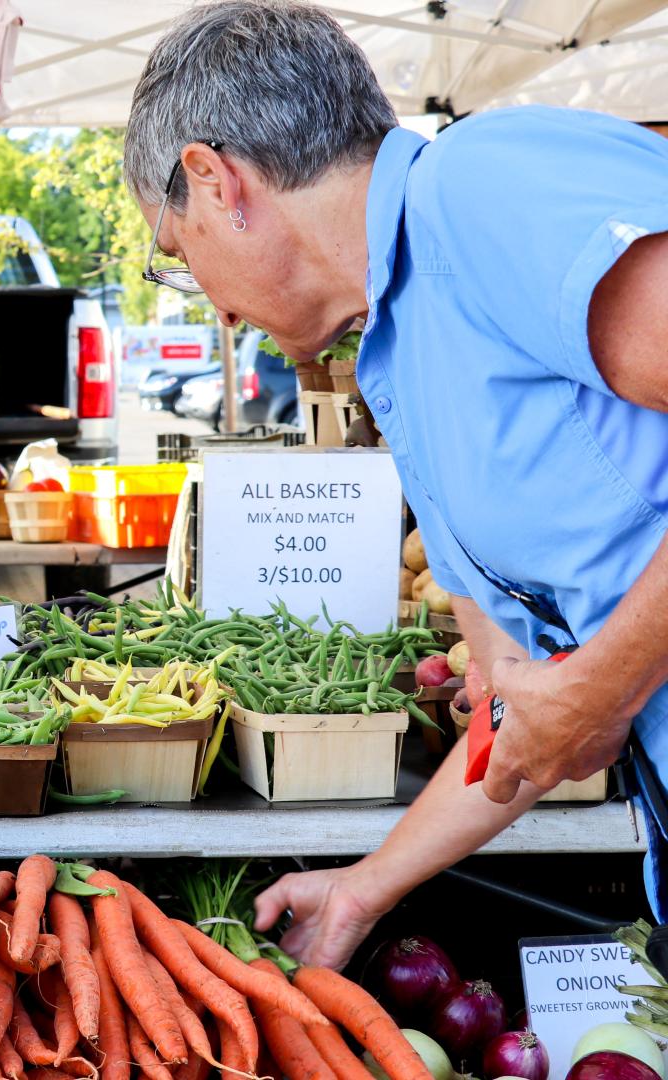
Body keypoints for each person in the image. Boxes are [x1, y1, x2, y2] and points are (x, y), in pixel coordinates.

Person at [124, 0, 668, 970]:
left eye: (178, 253)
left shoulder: (480, 186)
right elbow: (518, 707)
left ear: (215, 182)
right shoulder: (396, 358)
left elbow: (583, 690)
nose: (209, 300)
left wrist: (603, 681)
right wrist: (366, 887)